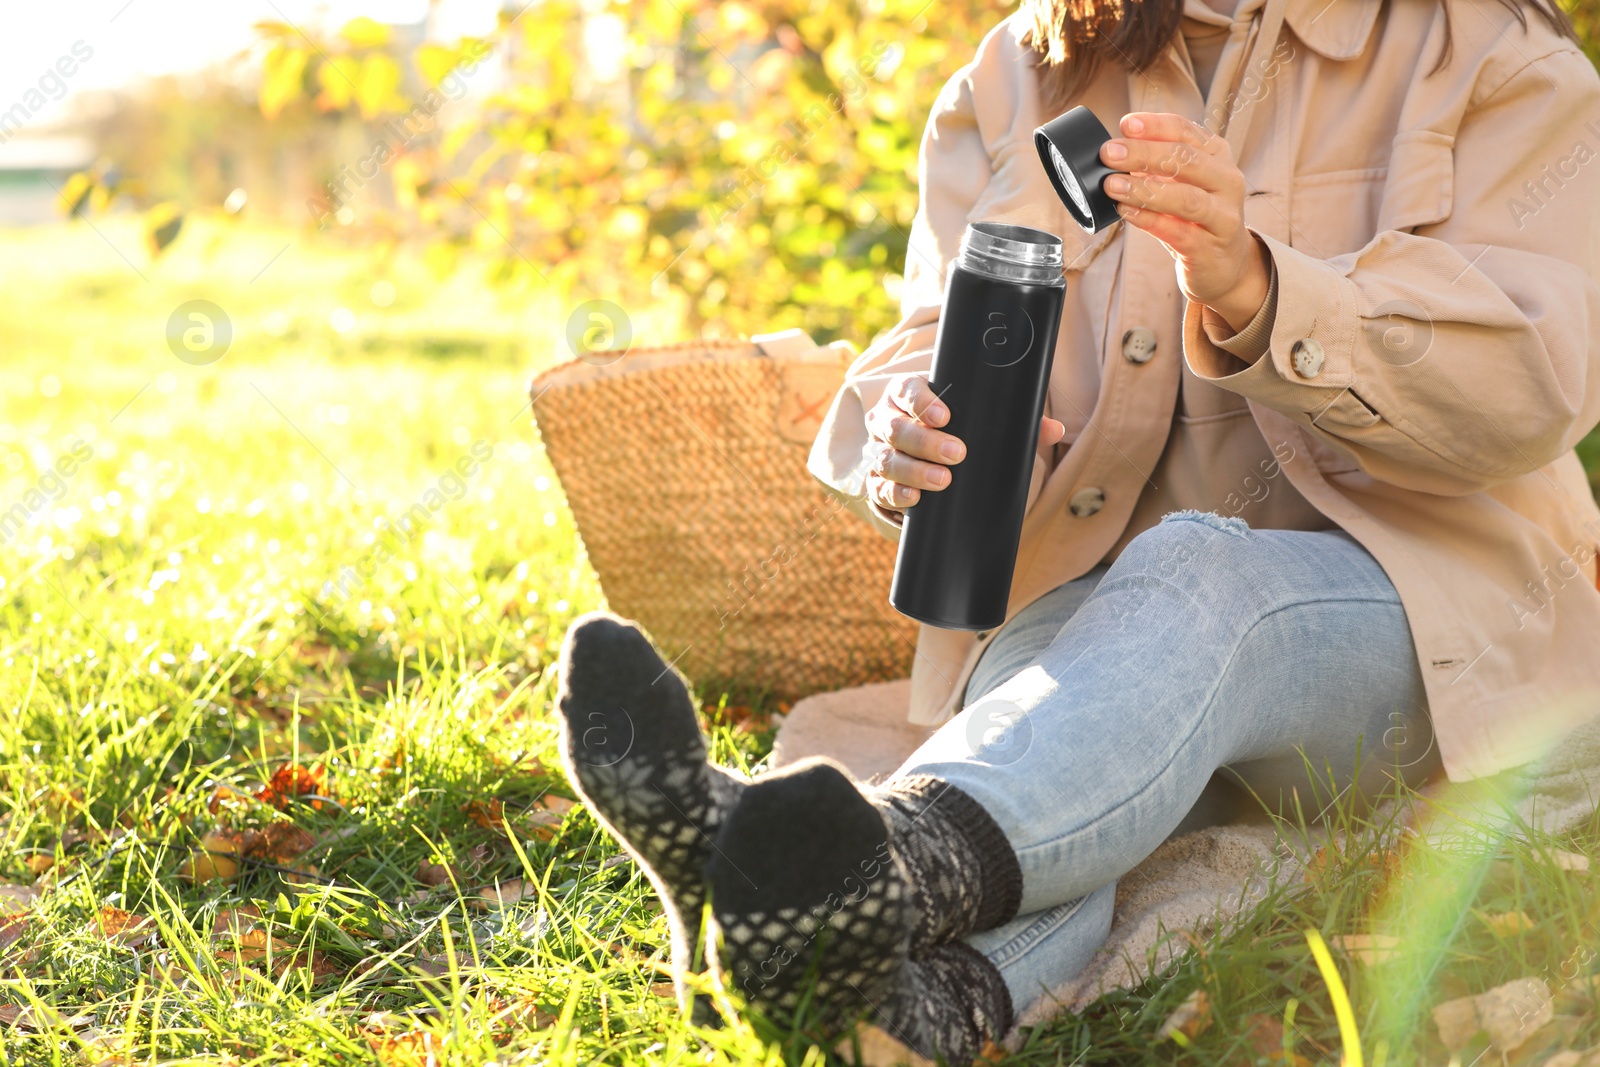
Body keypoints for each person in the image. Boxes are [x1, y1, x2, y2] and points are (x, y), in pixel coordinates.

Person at [555, 0, 1600, 1060]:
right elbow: (928, 332)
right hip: (1110, 656)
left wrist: (1254, 282)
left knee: (1195, 573)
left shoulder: (1491, 55)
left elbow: (1536, 382)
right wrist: (904, 427)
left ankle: (838, 854)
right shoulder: (1025, 64)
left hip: (1426, 641)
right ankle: (893, 1005)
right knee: (1046, 770)